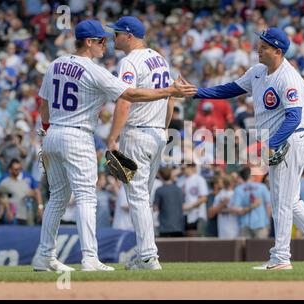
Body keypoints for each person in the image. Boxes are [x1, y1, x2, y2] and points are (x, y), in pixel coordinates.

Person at [33, 19, 196, 273]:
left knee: (57, 198)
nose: (106, 44)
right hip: (79, 136)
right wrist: (168, 93)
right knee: (88, 196)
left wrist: (45, 129)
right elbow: (128, 96)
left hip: (53, 133)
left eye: (110, 38)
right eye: (101, 40)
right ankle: (90, 259)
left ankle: (44, 255)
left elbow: (43, 102)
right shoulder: (99, 70)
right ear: (89, 42)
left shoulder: (55, 63)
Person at [190, 27, 304, 270]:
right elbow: (230, 89)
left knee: (281, 201)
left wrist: (268, 145)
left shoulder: (289, 78)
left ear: (278, 51)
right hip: (278, 141)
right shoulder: (258, 72)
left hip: (291, 139)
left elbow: (294, 118)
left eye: (263, 46)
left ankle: (281, 258)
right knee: (290, 201)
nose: (258, 49)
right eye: (259, 44)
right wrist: (196, 92)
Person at [106, 16, 186, 270]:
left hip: (137, 133)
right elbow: (172, 97)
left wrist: (112, 137)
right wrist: (163, 130)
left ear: (129, 36)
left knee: (138, 198)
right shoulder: (159, 58)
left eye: (117, 33)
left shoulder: (129, 61)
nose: (114, 37)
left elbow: (125, 99)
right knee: (143, 198)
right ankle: (144, 255)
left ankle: (149, 256)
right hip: (157, 134)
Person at [153, 167, 185, 237]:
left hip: (165, 228)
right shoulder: (179, 189)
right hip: (179, 227)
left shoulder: (159, 190)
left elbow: (156, 208)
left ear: (160, 176)